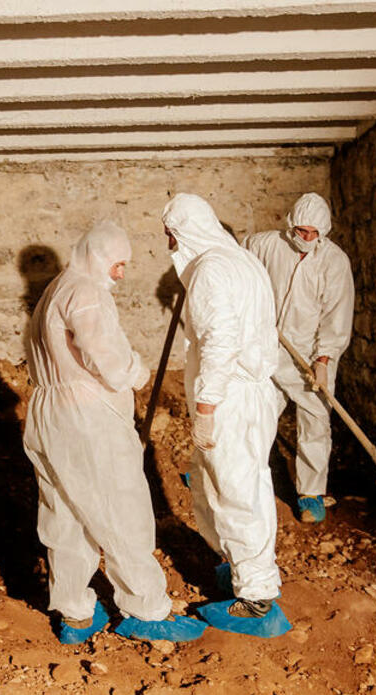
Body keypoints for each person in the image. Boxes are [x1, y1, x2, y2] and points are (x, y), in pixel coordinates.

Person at [22, 220, 207, 644]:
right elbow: (103, 353)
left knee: (65, 513)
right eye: (118, 264)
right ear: (97, 257)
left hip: (48, 412)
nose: (121, 275)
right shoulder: (86, 292)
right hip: (87, 417)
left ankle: (75, 614)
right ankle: (146, 610)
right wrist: (136, 372)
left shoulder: (54, 290)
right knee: (120, 507)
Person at [161, 194, 287, 627]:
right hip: (252, 394)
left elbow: (220, 341)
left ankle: (256, 600)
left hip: (230, 397)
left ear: (181, 233)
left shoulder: (211, 270)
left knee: (236, 492)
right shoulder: (242, 261)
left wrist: (207, 405)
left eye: (169, 235)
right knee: (218, 484)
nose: (168, 244)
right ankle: (238, 568)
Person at [243, 193, 355, 524]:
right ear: (290, 224)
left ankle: (311, 494)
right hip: (268, 348)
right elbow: (236, 266)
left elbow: (336, 315)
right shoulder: (265, 245)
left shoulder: (335, 262)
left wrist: (324, 359)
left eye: (313, 233)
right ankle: (233, 477)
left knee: (315, 421)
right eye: (301, 231)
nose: (306, 238)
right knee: (255, 415)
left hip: (309, 354)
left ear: (324, 232)